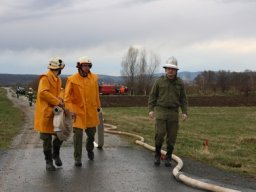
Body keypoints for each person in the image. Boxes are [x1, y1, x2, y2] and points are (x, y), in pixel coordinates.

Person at [148, 56, 188, 167]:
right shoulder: (159, 82)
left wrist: (184, 112)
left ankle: (169, 156)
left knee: (172, 136)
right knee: (160, 134)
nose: (170, 71)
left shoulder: (180, 83)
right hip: (161, 111)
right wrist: (151, 110)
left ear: (176, 71)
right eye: (168, 69)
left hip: (174, 113)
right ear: (165, 70)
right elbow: (152, 96)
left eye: (173, 69)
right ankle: (157, 154)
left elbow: (183, 99)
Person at [64, 56, 101, 167]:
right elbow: (67, 98)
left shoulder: (94, 79)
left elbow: (96, 95)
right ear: (79, 66)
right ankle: (77, 158)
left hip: (91, 112)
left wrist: (98, 107)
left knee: (91, 135)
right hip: (77, 112)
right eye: (84, 65)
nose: (86, 67)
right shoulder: (72, 80)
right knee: (78, 135)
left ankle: (89, 150)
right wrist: (70, 110)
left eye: (88, 66)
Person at [34, 57, 65, 171]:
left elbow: (61, 90)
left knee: (60, 135)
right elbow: (43, 93)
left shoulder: (58, 79)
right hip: (46, 113)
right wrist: (57, 101)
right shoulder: (45, 78)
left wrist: (61, 99)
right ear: (59, 68)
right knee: (46, 139)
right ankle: (48, 162)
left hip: (56, 113)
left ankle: (55, 154)